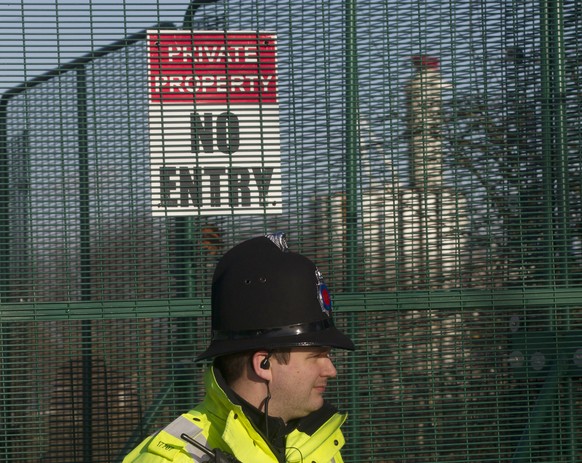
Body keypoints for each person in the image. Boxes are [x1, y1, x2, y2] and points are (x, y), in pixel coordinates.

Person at [123, 232, 355, 463]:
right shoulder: (177, 458)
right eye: (317, 356)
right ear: (263, 364)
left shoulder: (319, 443)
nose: (331, 370)